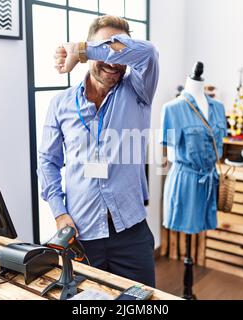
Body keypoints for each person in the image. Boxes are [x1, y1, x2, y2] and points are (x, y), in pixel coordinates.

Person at [37, 15, 159, 287]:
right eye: (105, 48)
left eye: (120, 52)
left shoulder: (139, 92)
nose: (114, 63)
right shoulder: (60, 104)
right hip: (82, 233)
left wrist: (81, 50)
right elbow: (47, 162)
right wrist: (59, 212)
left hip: (131, 233)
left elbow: (148, 51)